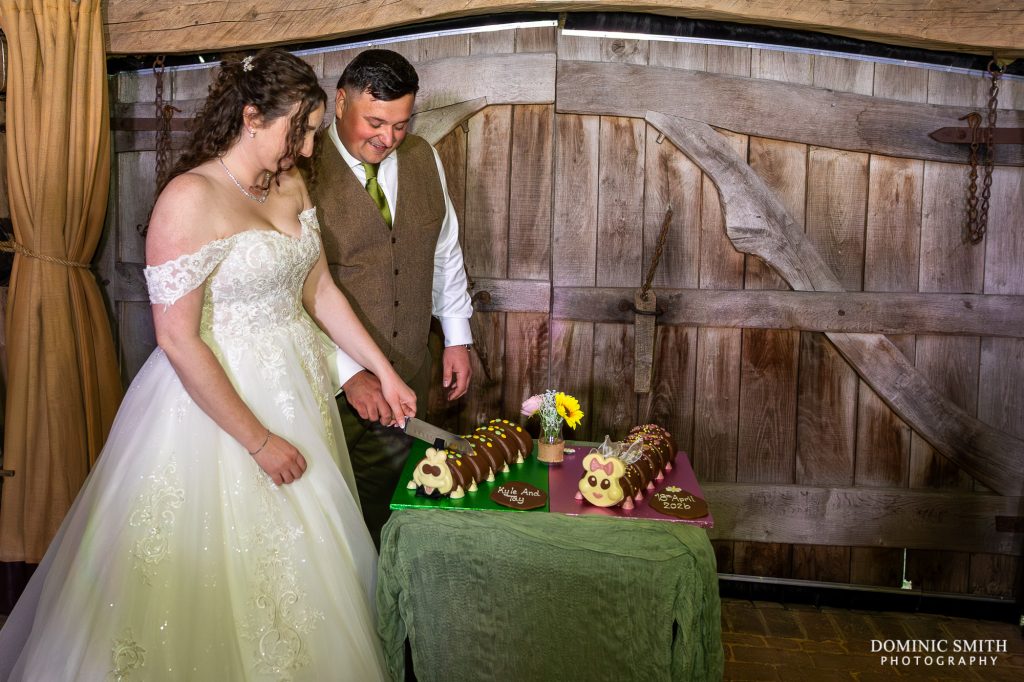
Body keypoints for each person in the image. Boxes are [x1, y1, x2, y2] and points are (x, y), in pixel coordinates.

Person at [0, 49, 412, 681]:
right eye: (297, 130)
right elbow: (178, 340)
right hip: (214, 414)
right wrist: (260, 442)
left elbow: (319, 289)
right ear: (252, 116)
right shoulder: (187, 200)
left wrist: (381, 370)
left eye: (309, 132)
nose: (306, 149)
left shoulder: (291, 185)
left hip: (297, 394)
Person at [310, 49, 474, 547]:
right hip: (327, 389)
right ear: (341, 102)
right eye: (375, 122)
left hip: (409, 375)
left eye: (400, 125)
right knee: (329, 524)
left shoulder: (423, 158)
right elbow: (291, 288)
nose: (387, 138)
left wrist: (456, 337)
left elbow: (443, 249)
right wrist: (350, 372)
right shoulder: (300, 165)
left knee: (393, 513)